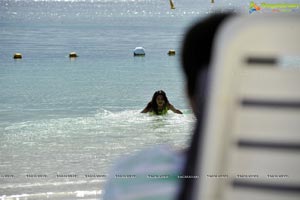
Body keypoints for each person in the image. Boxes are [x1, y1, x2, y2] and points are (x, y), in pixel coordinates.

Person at [102, 13, 233, 200]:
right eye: (159, 100)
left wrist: (181, 114)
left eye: (162, 100)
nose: (161, 102)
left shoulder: (129, 178)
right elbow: (142, 113)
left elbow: (175, 111)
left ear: (189, 92)